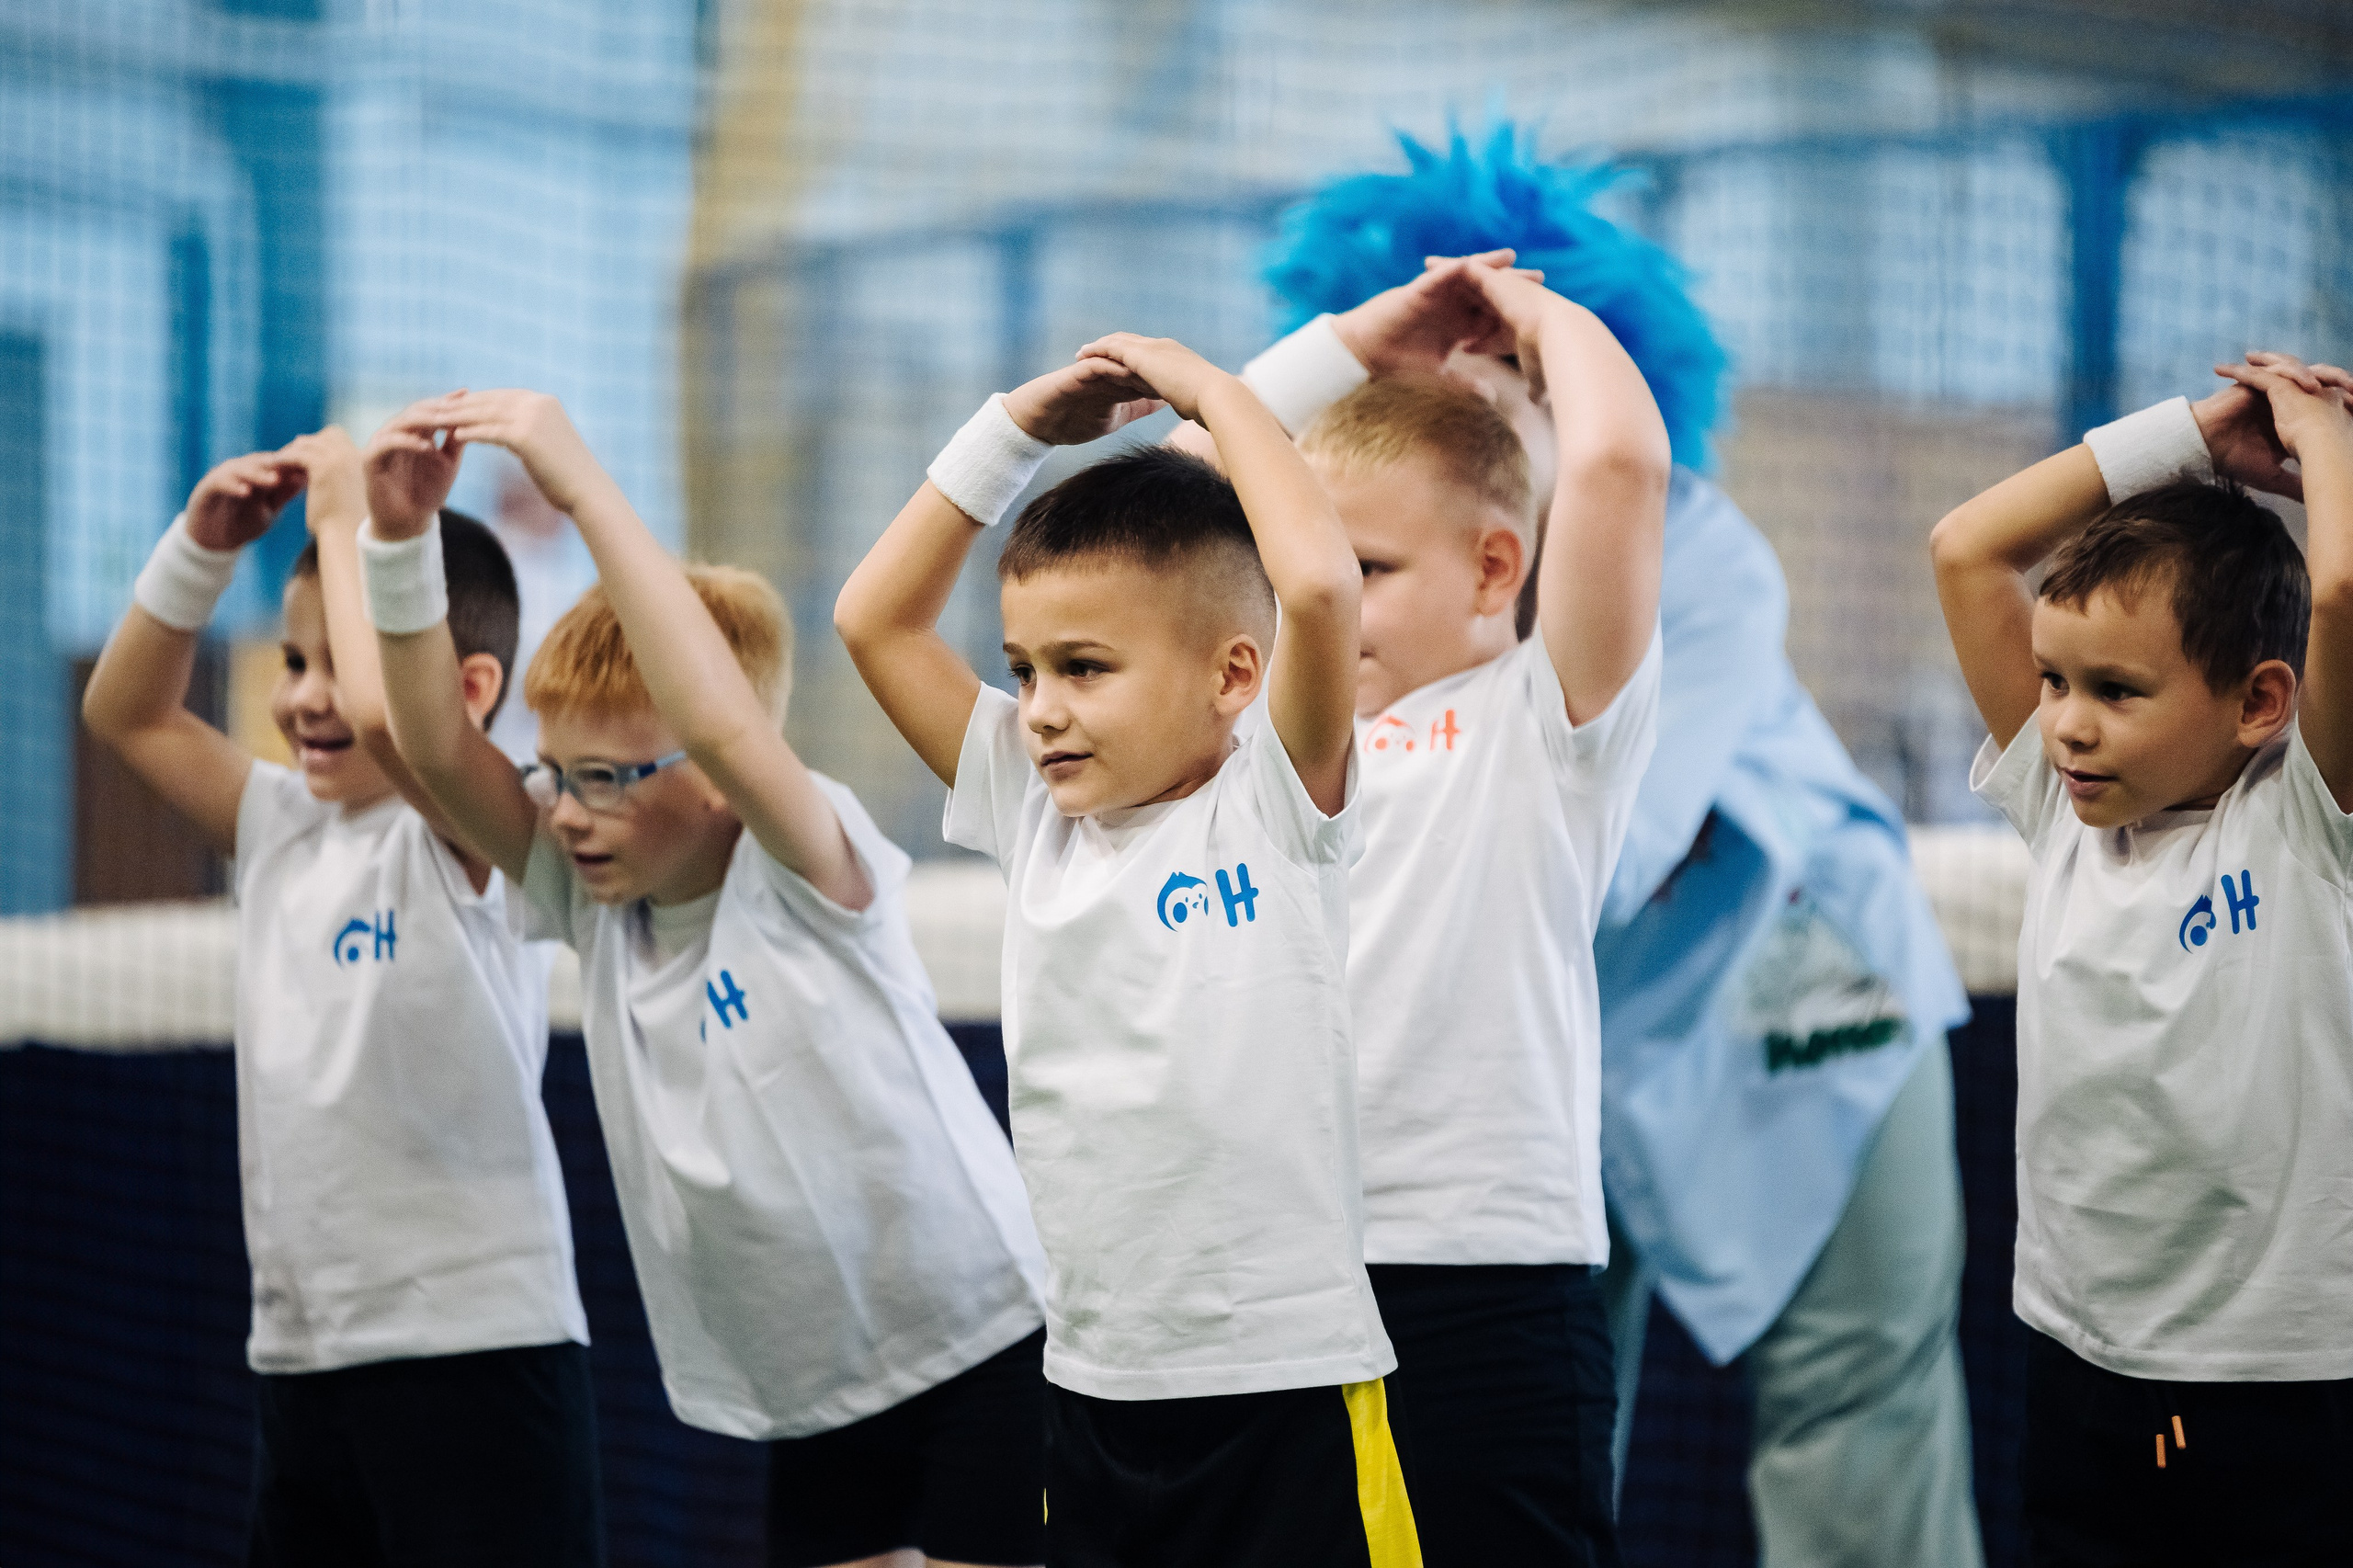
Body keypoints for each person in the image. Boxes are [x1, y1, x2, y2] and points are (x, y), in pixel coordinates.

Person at [1245, 124, 1978, 1567]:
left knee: (1856, 1452)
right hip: (1546, 1062)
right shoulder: (1331, 573)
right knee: (1548, 1449)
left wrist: (1538, 373)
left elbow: (1571, 859)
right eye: (1412, 368)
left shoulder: (1685, 559)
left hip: (1806, 1020)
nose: (1449, 395)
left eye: (1493, 357)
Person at [359, 391, 1050, 1568]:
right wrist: (394, 543)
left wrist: (576, 481)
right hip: (816, 1382)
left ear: (719, 776)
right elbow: (422, 741)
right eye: (556, 775)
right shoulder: (587, 894)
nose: (569, 814)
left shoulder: (800, 866)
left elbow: (725, 723)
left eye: (613, 777)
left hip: (989, 1336)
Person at [835, 333, 1417, 1567]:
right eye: (1026, 669)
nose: (1040, 705)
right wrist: (1014, 432)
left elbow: (1315, 585)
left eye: (1085, 668)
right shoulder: (1028, 808)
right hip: (1095, 1389)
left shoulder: (1274, 801)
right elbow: (872, 618)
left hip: (1287, 1386)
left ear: (1233, 675)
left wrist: (1215, 393)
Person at [80, 430, 603, 1567]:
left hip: (476, 1349)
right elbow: (129, 713)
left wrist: (339, 515)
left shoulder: (471, 831)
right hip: (308, 1352)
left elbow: (384, 715)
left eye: (329, 659)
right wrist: (199, 550)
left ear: (469, 690)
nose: (302, 697)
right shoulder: (279, 825)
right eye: (291, 661)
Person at [1931, 351, 2353, 1563]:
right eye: (2056, 680)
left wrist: (2320, 436)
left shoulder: (2303, 824)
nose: (2064, 718)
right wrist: (2193, 440)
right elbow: (1966, 546)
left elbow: (2345, 590)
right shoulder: (2062, 809)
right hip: (2079, 1365)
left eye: (2115, 690)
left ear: (2261, 701)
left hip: (2274, 1385)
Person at [1274, 266, 1667, 1565]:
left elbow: (1618, 468)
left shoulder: (1542, 722)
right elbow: (1160, 501)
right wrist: (1346, 342)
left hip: (1492, 1278)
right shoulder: (1272, 738)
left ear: (1498, 566)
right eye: (1298, 578)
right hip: (1285, 1278)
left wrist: (1538, 315)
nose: (1318, 605)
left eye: (1365, 568)